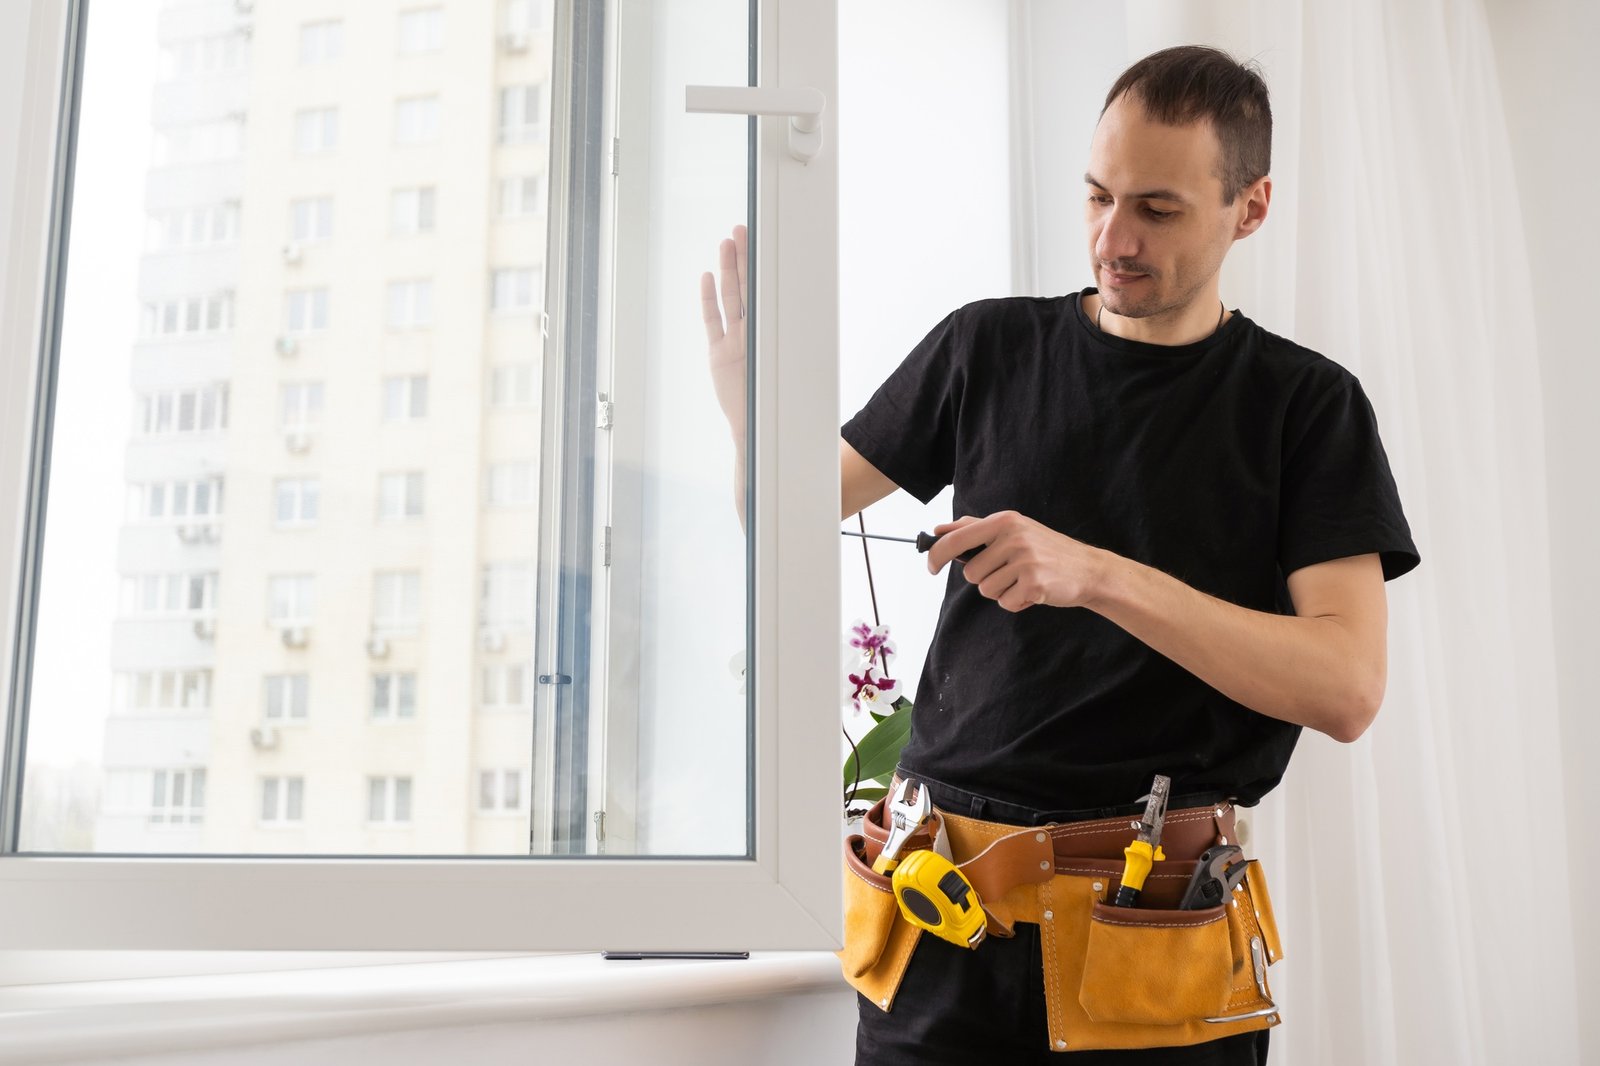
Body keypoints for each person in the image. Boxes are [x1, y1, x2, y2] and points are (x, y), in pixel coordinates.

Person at [703, 44, 1419, 1066]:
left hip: (1151, 939)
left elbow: (1346, 686)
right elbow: (783, 525)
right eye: (1096, 195)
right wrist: (746, 411)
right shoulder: (982, 349)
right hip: (935, 927)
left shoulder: (1304, 408)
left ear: (1248, 209)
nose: (1111, 238)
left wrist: (1094, 574)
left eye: (1157, 210)